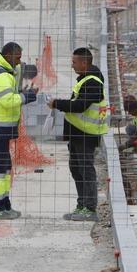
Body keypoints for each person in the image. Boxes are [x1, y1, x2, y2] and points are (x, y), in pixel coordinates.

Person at [48, 47, 107, 221]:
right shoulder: (85, 79)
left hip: (85, 135)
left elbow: (80, 105)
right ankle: (82, 205)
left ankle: (89, 208)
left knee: (85, 169)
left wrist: (57, 103)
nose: (72, 65)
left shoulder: (93, 82)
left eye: (74, 62)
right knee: (76, 169)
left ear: (84, 62)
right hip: (78, 133)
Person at [0, 42, 37, 219]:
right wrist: (27, 96)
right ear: (8, 55)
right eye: (17, 58)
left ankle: (4, 204)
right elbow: (8, 101)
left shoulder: (2, 69)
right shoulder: (0, 74)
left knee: (4, 165)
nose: (19, 62)